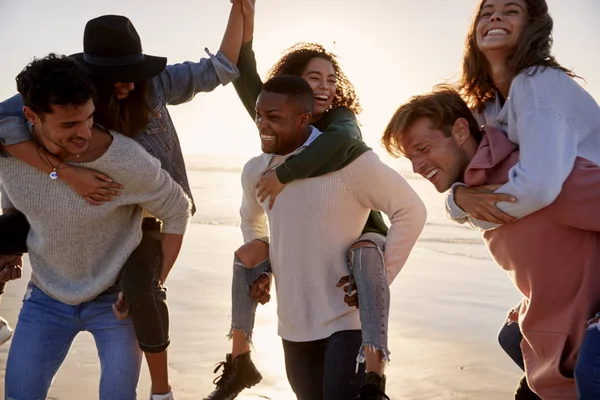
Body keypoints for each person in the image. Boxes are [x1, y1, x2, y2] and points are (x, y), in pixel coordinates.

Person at [0, 4, 245, 398]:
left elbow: (218, 69)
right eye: (117, 76)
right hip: (56, 259)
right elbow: (7, 128)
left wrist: (241, 9)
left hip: (144, 217)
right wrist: (65, 172)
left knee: (141, 288)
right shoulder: (51, 107)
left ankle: (161, 389)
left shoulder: (151, 92)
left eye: (134, 72)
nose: (129, 83)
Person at [205, 4, 399, 400]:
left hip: (364, 238)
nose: (325, 86)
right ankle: (239, 356)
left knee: (365, 253)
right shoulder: (280, 117)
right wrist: (245, 13)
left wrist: (284, 175)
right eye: (314, 78)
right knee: (248, 249)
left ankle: (375, 376)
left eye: (331, 78)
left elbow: (343, 144)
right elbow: (244, 71)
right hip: (304, 288)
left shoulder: (339, 120)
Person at [381, 86, 600, 399]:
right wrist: (458, 198)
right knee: (509, 337)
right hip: (549, 336)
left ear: (459, 131)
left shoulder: (539, 178)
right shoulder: (475, 190)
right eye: (410, 157)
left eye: (423, 149)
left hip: (582, 346)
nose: (417, 167)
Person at [1, 54, 191, 400]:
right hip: (46, 296)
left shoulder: (125, 160)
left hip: (113, 300)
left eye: (89, 118)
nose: (85, 132)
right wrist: (9, 251)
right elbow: (16, 203)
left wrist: (152, 282)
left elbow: (178, 209)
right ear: (30, 116)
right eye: (69, 125)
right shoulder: (11, 157)